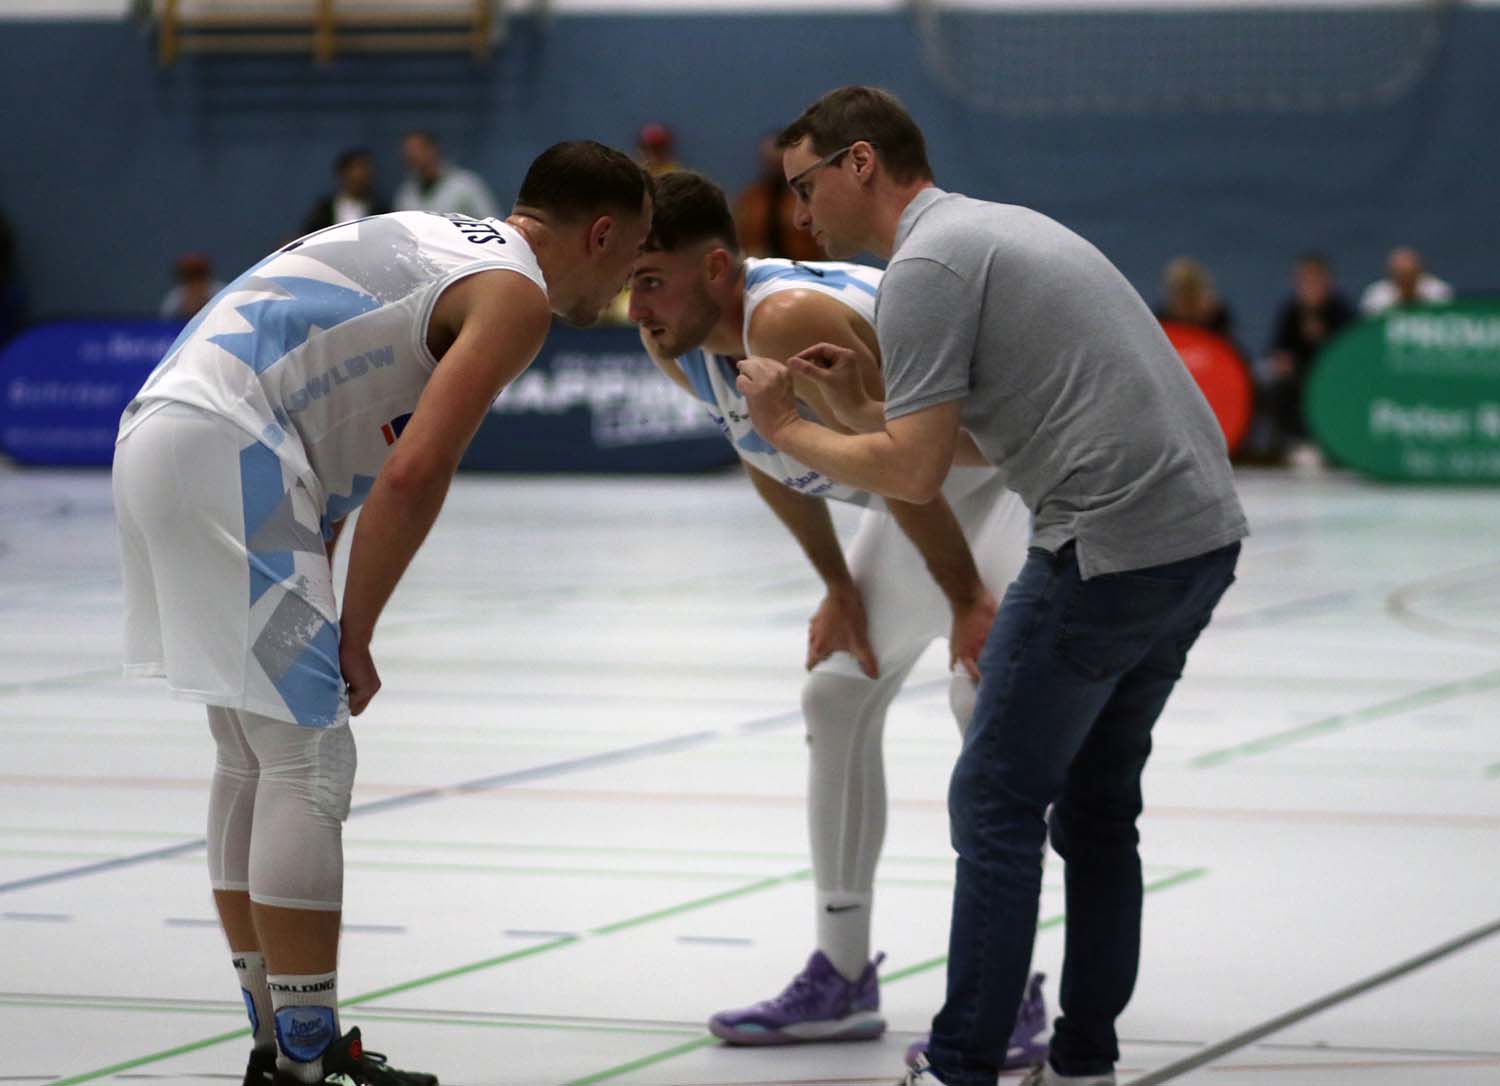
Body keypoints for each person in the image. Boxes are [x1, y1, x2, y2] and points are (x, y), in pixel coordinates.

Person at [734, 86, 1246, 1086]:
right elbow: (977, 444)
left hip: (1105, 546)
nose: (800, 215)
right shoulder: (987, 231)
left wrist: (787, 425)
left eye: (806, 185)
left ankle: (963, 1058)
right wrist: (856, 399)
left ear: (862, 163)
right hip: (1199, 542)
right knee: (1097, 810)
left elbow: (914, 476)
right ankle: (1086, 1056)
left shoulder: (924, 264)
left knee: (996, 801)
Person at [112, 141, 652, 1086]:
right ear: (600, 233)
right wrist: (354, 629)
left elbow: (347, 421)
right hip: (229, 452)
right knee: (309, 757)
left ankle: (282, 1043)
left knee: (253, 753)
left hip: (169, 432)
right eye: (630, 260)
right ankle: (304, 1063)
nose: (622, 289)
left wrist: (329, 584)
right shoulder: (516, 294)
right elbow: (416, 472)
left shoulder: (442, 238)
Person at [627, 170, 1047, 1065]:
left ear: (714, 268)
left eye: (651, 279)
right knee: (837, 691)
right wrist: (838, 586)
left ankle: (1012, 985)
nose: (637, 306)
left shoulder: (783, 318)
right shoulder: (677, 337)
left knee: (984, 704)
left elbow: (914, 462)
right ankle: (843, 974)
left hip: (1000, 483)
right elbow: (762, 449)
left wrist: (971, 599)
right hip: (917, 503)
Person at [1264, 253, 1355, 459]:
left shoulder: (1341, 310)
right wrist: (1281, 360)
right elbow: (1276, 347)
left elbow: (1351, 351)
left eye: (1316, 279)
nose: (1310, 285)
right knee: (1279, 383)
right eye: (1305, 280)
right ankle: (1296, 441)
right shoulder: (1290, 310)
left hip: (1334, 375)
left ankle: (1333, 441)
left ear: (1327, 281)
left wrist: (1322, 338)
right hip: (1299, 374)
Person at [734, 132, 822, 262]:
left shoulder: (807, 198)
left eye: (779, 161)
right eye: (770, 161)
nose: (775, 166)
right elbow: (739, 236)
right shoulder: (750, 199)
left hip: (805, 268)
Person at [393, 130, 498, 219]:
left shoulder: (465, 184)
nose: (411, 155)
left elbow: (491, 221)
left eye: (416, 149)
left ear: (432, 150)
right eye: (408, 151)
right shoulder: (406, 192)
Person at [302, 148, 390, 234]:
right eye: (354, 172)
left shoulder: (380, 210)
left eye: (365, 172)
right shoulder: (324, 211)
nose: (359, 176)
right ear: (342, 174)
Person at [1154, 256, 1235, 342]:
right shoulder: (1158, 331)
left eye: (1193, 296)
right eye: (1184, 298)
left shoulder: (1225, 341)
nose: (1189, 305)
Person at [1359, 245, 1453, 315]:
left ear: (1420, 271)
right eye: (1400, 275)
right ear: (1391, 274)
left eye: (1410, 274)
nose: (1405, 279)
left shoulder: (1440, 291)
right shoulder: (1375, 295)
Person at [160, 252, 225, 321]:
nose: (195, 278)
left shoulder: (221, 291)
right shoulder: (175, 296)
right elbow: (165, 320)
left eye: (198, 272)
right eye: (190, 274)